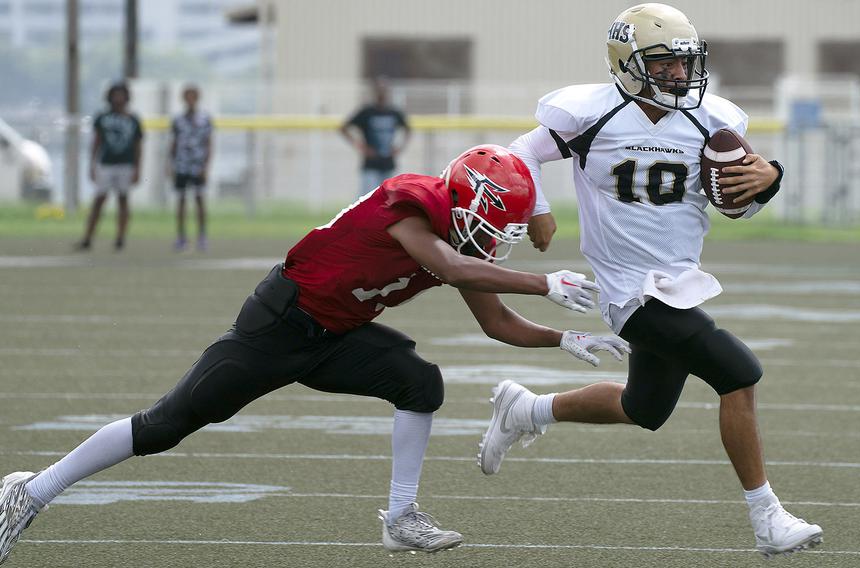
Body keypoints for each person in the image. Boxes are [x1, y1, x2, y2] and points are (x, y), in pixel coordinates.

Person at [0, 144, 631, 563]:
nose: (499, 243)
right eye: (496, 227)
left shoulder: (461, 242)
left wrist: (563, 337)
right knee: (166, 426)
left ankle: (401, 517)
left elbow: (493, 321)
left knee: (420, 382)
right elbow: (444, 262)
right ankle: (32, 490)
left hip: (335, 336)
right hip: (279, 323)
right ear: (466, 201)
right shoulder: (410, 204)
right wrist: (545, 283)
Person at [477, 3, 824, 559]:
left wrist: (769, 180)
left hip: (678, 281)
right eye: (662, 63)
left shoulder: (713, 120)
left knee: (646, 408)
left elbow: (737, 209)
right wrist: (538, 206)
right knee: (739, 373)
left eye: (684, 63)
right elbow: (522, 152)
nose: (678, 75)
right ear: (626, 62)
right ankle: (768, 518)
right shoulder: (591, 113)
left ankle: (526, 409)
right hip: (627, 290)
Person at [75, 82, 143, 251]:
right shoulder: (102, 118)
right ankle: (88, 237)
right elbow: (96, 142)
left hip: (126, 165)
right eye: (115, 94)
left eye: (121, 94)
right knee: (99, 200)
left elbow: (137, 146)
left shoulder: (133, 119)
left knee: (123, 200)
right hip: (106, 164)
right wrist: (91, 164)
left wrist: (138, 168)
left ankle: (120, 238)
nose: (118, 98)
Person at [340, 77, 411, 198]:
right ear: (374, 92)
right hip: (371, 164)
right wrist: (360, 146)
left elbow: (408, 129)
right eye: (379, 90)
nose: (381, 93)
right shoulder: (367, 111)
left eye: (384, 90)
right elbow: (344, 128)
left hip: (388, 162)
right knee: (367, 199)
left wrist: (400, 148)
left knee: (389, 200)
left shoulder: (393, 112)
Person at [168, 85, 213, 252]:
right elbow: (173, 144)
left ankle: (202, 237)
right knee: (181, 200)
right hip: (181, 164)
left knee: (199, 200)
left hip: (197, 165)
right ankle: (181, 237)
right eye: (187, 96)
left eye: (193, 96)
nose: (190, 99)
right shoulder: (178, 120)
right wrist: (171, 165)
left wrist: (206, 166)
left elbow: (208, 144)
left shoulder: (205, 119)